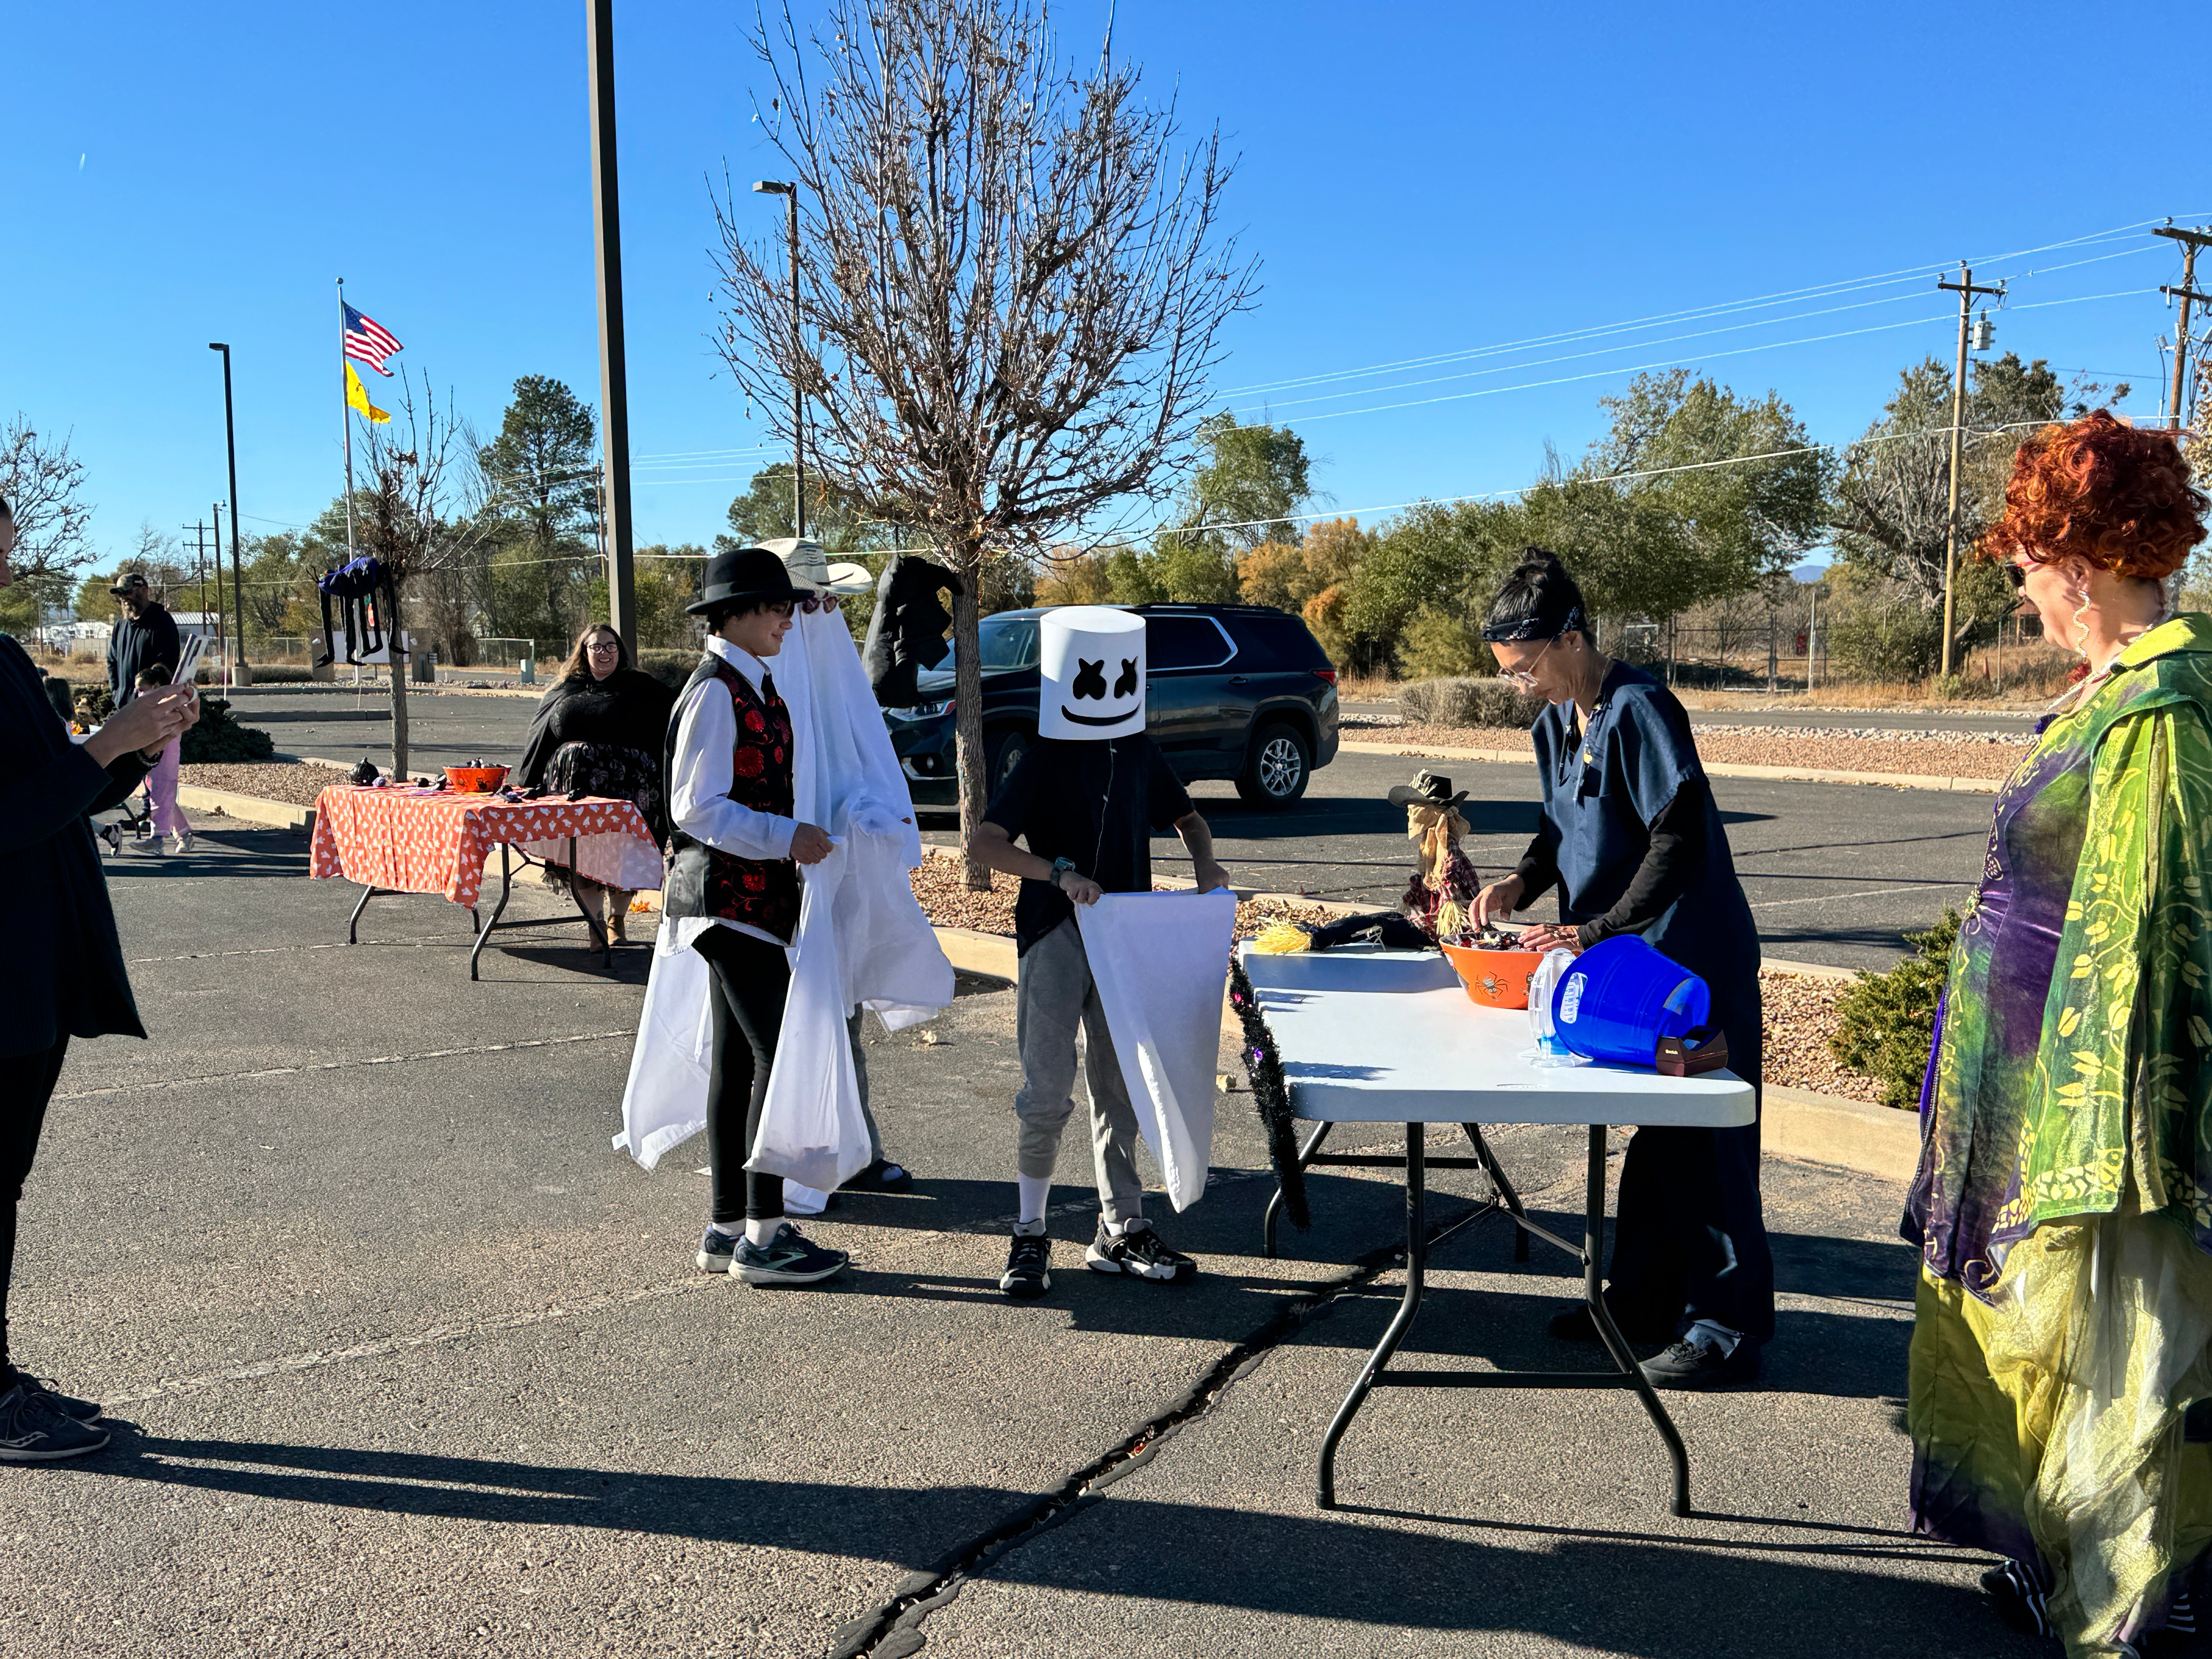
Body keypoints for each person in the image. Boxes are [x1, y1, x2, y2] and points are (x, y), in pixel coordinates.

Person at [1904, 412, 2212, 1652]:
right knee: (2032, 1345)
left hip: (2091, 1108)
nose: (2025, 601)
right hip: (2016, 1076)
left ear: (2075, 568)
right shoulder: (2107, 690)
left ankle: (2130, 1610)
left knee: (2115, 1354)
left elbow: (2170, 925)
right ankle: (2052, 1569)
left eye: (2027, 574)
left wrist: (2111, 1130)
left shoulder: (2167, 700)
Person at [1470, 548, 1772, 1388]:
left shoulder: (1640, 708)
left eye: (1526, 667)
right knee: (1658, 1138)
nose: (1520, 685)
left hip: (1693, 968)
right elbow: (1556, 824)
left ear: (1571, 638)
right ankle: (1641, 1302)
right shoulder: (1551, 724)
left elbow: (1677, 841)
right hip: (1632, 974)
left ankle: (1728, 1329)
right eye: (1507, 675)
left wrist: (1591, 929)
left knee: (1708, 1145)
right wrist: (1522, 883)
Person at [0, 495, 201, 1460]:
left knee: (3, 1183)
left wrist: (141, 744)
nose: (6, 572)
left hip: (30, 963)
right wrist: (105, 745)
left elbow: (61, 791)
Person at [967, 605, 1231, 1300]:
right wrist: (1057, 873)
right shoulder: (1044, 754)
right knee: (1045, 1092)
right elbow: (985, 843)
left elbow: (1190, 819)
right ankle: (1029, 1232)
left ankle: (1121, 1228)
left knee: (1120, 1087)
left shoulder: (1139, 748)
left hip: (1125, 942)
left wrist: (1206, 867)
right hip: (1055, 934)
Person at [659, 545, 847, 1287]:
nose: (786, 619)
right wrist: (784, 836)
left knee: (739, 1060)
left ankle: (726, 1224)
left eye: (789, 608)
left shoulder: (751, 681)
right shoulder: (715, 690)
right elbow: (692, 806)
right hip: (725, 896)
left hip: (747, 898)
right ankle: (764, 1237)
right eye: (774, 607)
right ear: (730, 615)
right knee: (776, 1052)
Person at [764, 538, 922, 1200]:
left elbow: (868, 764)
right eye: (810, 601)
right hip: (776, 888)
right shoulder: (761, 685)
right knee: (783, 1030)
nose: (825, 610)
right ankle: (783, 1160)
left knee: (844, 1019)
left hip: (842, 882)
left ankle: (854, 1150)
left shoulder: (835, 680)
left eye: (831, 599)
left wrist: (875, 820)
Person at [516, 622, 676, 945]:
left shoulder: (643, 687)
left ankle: (618, 919)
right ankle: (596, 924)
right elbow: (542, 738)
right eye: (597, 647)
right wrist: (529, 785)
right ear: (584, 653)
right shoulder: (566, 689)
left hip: (629, 791)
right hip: (576, 793)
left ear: (620, 651)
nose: (605, 653)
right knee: (583, 856)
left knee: (623, 855)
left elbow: (677, 721)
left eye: (611, 646)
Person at [105, 572, 189, 855]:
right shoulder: (121, 627)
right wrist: (118, 693)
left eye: (129, 593)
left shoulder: (161, 622)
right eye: (121, 595)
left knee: (159, 775)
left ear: (144, 590)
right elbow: (112, 661)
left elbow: (169, 663)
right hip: (127, 707)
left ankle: (159, 836)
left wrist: (151, 682)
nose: (125, 599)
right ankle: (184, 832)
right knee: (150, 775)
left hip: (156, 710)